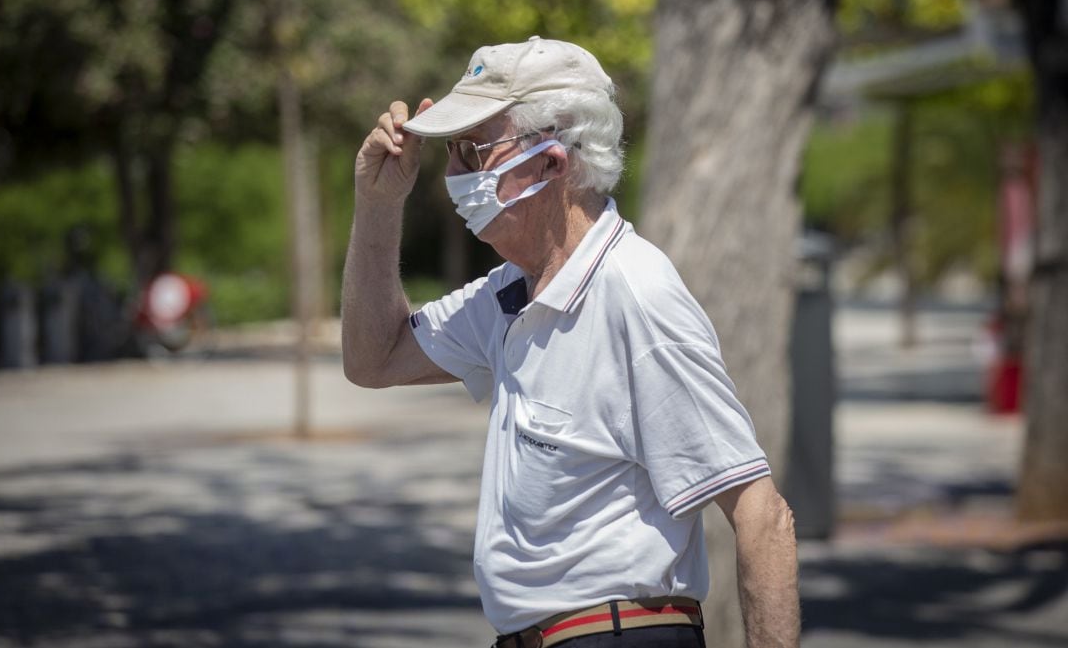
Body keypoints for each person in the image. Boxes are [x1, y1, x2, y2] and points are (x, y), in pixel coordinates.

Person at [341, 36, 799, 648]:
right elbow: (374, 358)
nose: (453, 175)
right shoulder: (512, 290)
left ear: (553, 162)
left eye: (474, 151)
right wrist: (377, 204)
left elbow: (761, 516)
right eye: (452, 151)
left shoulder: (633, 293)